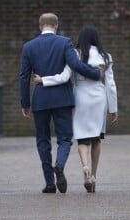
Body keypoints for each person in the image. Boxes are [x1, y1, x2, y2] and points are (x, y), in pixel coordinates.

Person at [19, 14, 101, 194]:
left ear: (40, 26)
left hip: (40, 99)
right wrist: (95, 74)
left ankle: (49, 183)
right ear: (56, 25)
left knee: (42, 140)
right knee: (64, 138)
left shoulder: (28, 47)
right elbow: (75, 64)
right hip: (62, 98)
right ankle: (60, 165)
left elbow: (24, 77)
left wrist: (25, 103)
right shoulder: (65, 42)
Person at [34, 25, 118, 193]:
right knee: (96, 138)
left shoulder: (75, 54)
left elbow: (64, 77)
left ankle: (85, 167)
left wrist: (44, 80)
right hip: (99, 97)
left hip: (80, 97)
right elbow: (111, 85)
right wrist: (113, 109)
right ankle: (93, 176)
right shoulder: (106, 57)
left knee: (82, 138)